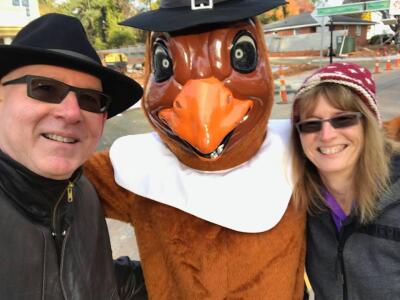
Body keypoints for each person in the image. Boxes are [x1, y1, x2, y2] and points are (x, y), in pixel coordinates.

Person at [0, 13, 147, 299]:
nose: (71, 113)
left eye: (89, 99)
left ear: (102, 120)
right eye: (44, 88)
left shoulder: (83, 193)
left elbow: (92, 281)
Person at [290, 62, 400, 299]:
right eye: (311, 124)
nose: (327, 135)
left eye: (343, 119)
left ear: (367, 124)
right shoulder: (302, 205)